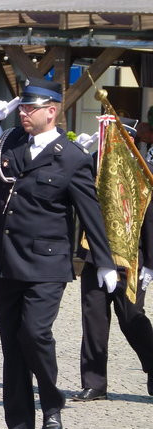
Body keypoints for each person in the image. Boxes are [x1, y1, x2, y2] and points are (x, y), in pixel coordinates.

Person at [0, 78, 116, 429]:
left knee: (35, 333)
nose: (24, 114)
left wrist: (105, 261)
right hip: (6, 259)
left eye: (31, 109)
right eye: (22, 108)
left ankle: (51, 401)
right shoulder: (10, 142)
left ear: (52, 111)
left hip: (46, 263)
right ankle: (19, 423)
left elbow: (90, 212)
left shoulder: (72, 157)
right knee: (13, 342)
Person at [73, 118, 153, 401]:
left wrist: (151, 263)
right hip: (96, 254)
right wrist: (80, 149)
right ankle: (94, 383)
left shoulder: (141, 170)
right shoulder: (93, 165)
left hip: (131, 258)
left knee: (131, 317)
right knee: (93, 319)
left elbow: (150, 220)